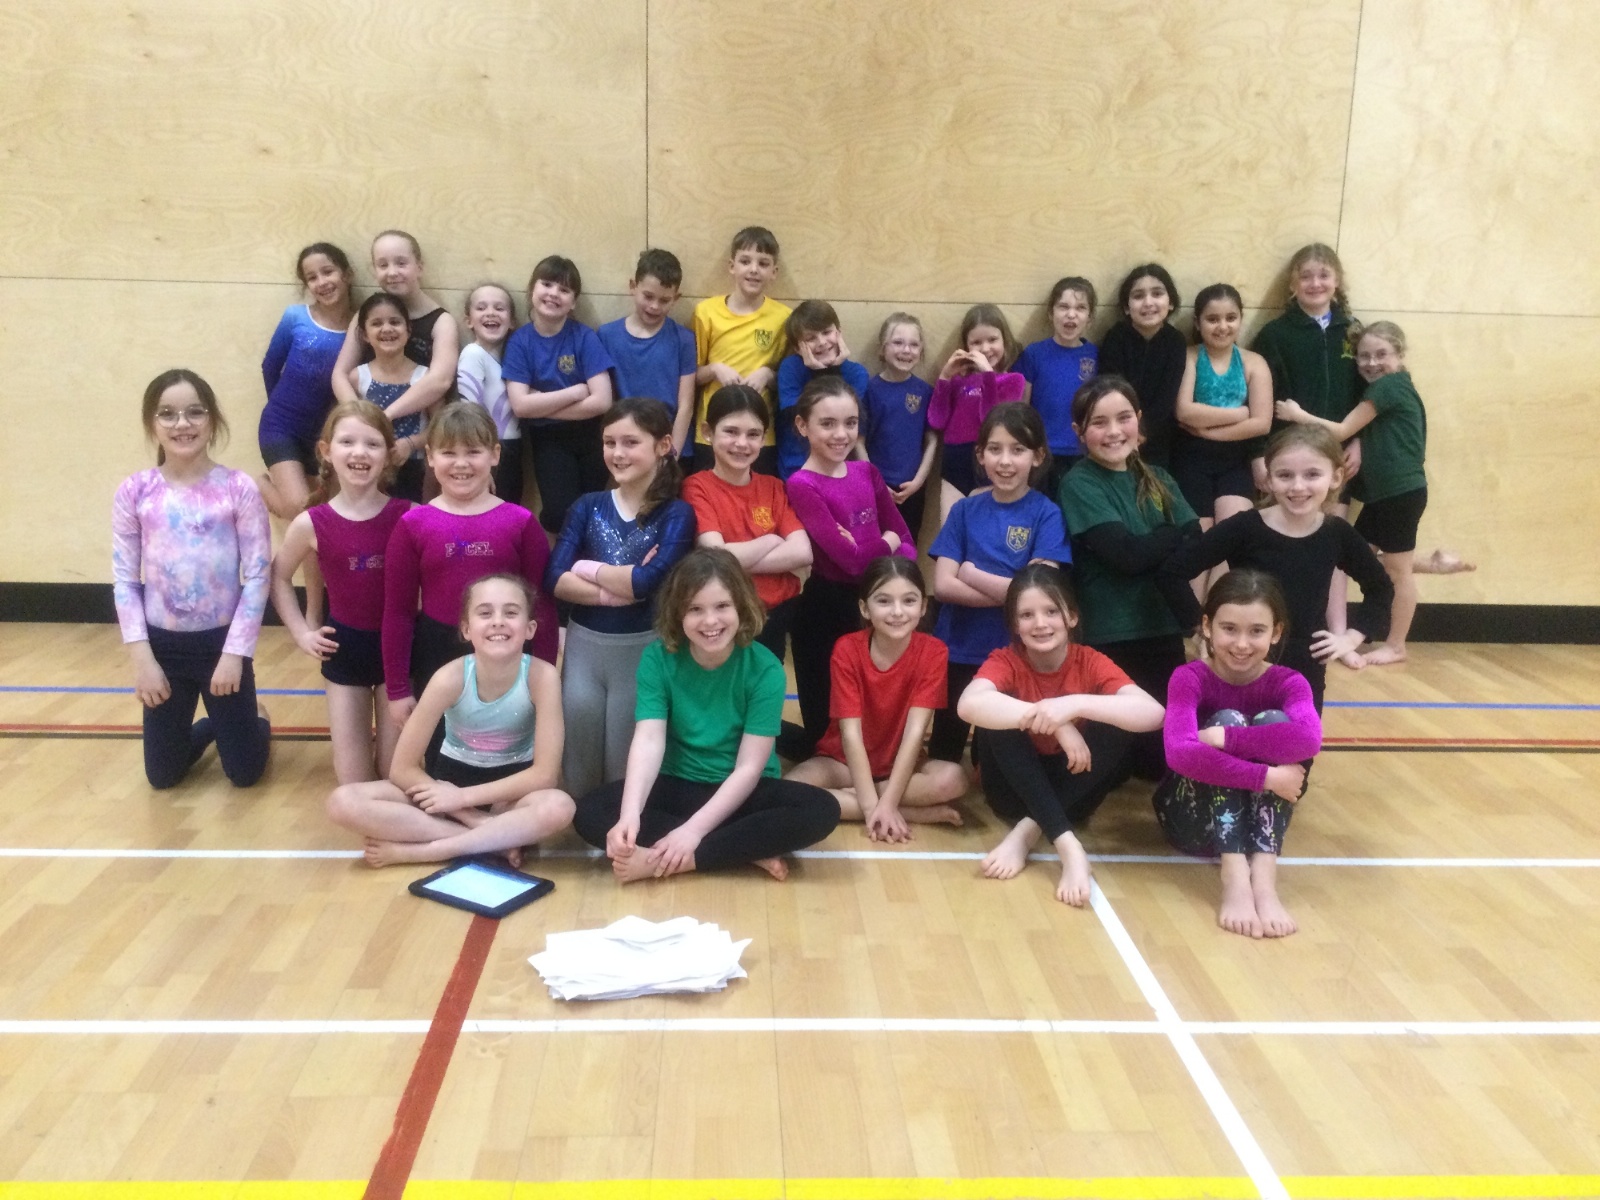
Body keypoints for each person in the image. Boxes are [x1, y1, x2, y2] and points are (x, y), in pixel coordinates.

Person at [572, 549, 841, 882]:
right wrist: (630, 814)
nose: (710, 621)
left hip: (740, 792)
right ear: (677, 614)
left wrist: (692, 833)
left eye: (722, 606)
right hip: (679, 785)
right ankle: (739, 849)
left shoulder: (766, 669)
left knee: (821, 809)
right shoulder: (658, 658)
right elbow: (649, 739)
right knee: (590, 812)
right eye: (695, 609)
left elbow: (748, 769)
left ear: (741, 607)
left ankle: (679, 858)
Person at [326, 574, 575, 868]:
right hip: (446, 788)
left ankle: (430, 850)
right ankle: (492, 841)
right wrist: (466, 812)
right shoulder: (449, 678)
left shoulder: (542, 677)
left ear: (530, 628)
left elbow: (544, 775)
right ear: (466, 629)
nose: (498, 622)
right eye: (485, 613)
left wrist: (462, 798)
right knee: (343, 801)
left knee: (559, 806)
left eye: (511, 613)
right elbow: (401, 768)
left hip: (509, 797)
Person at [956, 565, 1165, 906]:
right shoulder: (1006, 660)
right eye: (1027, 615)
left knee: (1116, 720)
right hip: (1011, 792)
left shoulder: (1089, 660)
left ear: (1071, 616)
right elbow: (968, 705)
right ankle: (1069, 847)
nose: (1040, 623)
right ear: (1014, 625)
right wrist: (1055, 722)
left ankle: (1027, 831)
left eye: (1051, 611)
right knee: (998, 715)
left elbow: (1154, 714)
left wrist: (1074, 704)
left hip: (1074, 793)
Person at [1157, 425, 1395, 716]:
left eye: (1312, 474)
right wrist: (1201, 628)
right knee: (1234, 739)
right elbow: (1173, 572)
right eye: (1285, 475)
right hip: (1243, 661)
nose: (1298, 486)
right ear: (1268, 480)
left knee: (1298, 743)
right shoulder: (1245, 527)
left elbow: (1380, 587)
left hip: (1304, 664)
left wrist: (1352, 637)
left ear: (1335, 477)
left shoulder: (1337, 534)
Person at [1275, 320, 1474, 664]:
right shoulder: (1389, 389)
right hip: (1384, 496)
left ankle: (1396, 645)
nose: (1371, 363)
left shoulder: (1389, 386)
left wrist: (1298, 415)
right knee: (1352, 559)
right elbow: (1371, 433)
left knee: (1396, 572)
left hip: (1400, 493)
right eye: (1364, 356)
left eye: (1381, 354)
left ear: (1400, 354)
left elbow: (1340, 431)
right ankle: (1431, 564)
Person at [113, 369, 271, 790]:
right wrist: (142, 660)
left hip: (222, 645)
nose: (182, 424)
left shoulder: (238, 488)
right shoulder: (136, 491)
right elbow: (125, 581)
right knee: (163, 776)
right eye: (167, 414)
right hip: (163, 649)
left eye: (194, 412)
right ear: (152, 424)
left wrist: (235, 654)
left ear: (212, 419)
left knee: (245, 774)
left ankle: (255, 721)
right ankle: (214, 726)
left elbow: (258, 575)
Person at [1154, 569, 1321, 938]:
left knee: (1274, 721)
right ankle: (1234, 876)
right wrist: (1267, 777)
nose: (1242, 644)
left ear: (1276, 632)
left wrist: (1225, 738)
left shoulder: (1289, 682)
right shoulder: (1189, 677)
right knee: (1230, 716)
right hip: (1193, 822)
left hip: (1255, 828)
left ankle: (1263, 878)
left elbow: (1308, 740)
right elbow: (1179, 753)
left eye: (1256, 631)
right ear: (1207, 627)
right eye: (1229, 629)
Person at [547, 398, 696, 798]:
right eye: (609, 442)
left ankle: (621, 826)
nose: (617, 453)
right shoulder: (587, 506)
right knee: (578, 764)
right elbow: (554, 577)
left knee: (622, 767)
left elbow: (647, 583)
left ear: (663, 445)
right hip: (584, 648)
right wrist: (618, 591)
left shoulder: (676, 514)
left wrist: (585, 568)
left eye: (631, 442)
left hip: (642, 650)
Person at [381, 405, 558, 731]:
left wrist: (544, 676)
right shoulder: (413, 525)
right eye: (449, 452)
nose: (461, 463)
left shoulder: (521, 523)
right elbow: (398, 612)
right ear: (430, 457)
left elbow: (542, 607)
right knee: (440, 751)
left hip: (507, 651)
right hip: (436, 652)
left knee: (508, 748)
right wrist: (398, 688)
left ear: (495, 454)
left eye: (473, 452)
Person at [1058, 377, 1200, 778]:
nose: (1114, 431)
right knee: (1113, 768)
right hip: (1111, 632)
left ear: (1139, 419)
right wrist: (1169, 535)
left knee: (1162, 764)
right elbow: (1125, 556)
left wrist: (1157, 544)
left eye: (1124, 418)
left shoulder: (1158, 477)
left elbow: (1196, 539)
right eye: (1099, 422)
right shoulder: (1079, 483)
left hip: (1162, 626)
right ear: (1079, 432)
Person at [269, 401, 411, 784]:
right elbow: (279, 576)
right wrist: (301, 632)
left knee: (395, 774)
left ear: (389, 454)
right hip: (344, 651)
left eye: (372, 443)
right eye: (347, 442)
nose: (359, 452)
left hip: (399, 654)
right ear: (326, 451)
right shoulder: (310, 523)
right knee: (353, 779)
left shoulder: (410, 516)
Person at [927, 403, 1072, 765]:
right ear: (981, 454)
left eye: (1017, 449)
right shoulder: (963, 511)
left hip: (1015, 653)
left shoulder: (1047, 514)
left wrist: (970, 574)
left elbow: (1039, 594)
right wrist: (1013, 593)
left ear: (1038, 456)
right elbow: (942, 585)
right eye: (995, 449)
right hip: (959, 648)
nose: (1005, 461)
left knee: (992, 762)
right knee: (944, 754)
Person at [786, 557, 967, 840]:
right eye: (884, 601)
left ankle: (882, 806)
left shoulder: (934, 652)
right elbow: (850, 734)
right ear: (864, 608)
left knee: (953, 780)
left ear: (923, 607)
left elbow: (915, 732)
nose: (897, 612)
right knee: (792, 788)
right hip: (843, 762)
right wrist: (873, 809)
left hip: (900, 766)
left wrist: (887, 801)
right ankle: (909, 812)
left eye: (909, 601)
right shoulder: (847, 649)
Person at [784, 376, 916, 760]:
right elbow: (851, 562)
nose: (841, 434)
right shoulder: (802, 484)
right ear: (802, 425)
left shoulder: (867, 473)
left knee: (873, 715)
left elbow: (906, 541)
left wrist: (873, 546)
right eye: (827, 424)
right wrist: (885, 543)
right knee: (828, 730)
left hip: (875, 603)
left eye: (850, 423)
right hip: (827, 611)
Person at [682, 384, 812, 668]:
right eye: (731, 431)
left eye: (753, 434)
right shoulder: (696, 487)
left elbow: (803, 553)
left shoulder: (774, 487)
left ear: (764, 439)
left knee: (765, 689)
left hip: (775, 615)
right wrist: (771, 541)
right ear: (707, 432)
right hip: (722, 620)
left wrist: (736, 556)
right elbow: (716, 555)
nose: (742, 443)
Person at [503, 255, 616, 536]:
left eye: (564, 290)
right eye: (547, 284)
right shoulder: (520, 342)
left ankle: (583, 562)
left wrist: (540, 405)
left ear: (573, 302)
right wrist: (575, 392)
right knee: (558, 513)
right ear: (532, 289)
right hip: (548, 439)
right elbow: (520, 406)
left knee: (590, 513)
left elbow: (602, 401)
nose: (554, 293)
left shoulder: (584, 337)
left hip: (591, 435)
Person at [258, 242, 356, 520]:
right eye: (312, 278)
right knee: (298, 508)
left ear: (347, 274)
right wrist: (281, 411)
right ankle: (258, 484)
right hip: (281, 426)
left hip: (324, 435)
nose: (322, 282)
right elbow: (270, 366)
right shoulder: (296, 317)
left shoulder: (360, 326)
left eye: (328, 272)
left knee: (325, 517)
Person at [1172, 284, 1273, 537]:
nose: (1222, 326)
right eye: (1212, 319)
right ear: (1197, 322)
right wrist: (1239, 414)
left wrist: (1207, 431)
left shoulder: (1254, 362)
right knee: (1198, 538)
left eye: (1230, 318)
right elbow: (1184, 412)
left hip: (1236, 461)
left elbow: (1262, 423)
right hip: (1191, 459)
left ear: (1240, 319)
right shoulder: (1189, 356)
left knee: (1233, 535)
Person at [691, 226, 791, 475]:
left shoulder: (783, 318)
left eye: (763, 263)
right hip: (712, 433)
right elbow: (691, 376)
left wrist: (768, 375)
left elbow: (789, 380)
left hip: (760, 435)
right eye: (745, 261)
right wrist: (715, 369)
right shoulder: (706, 312)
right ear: (732, 266)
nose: (754, 269)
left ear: (774, 271)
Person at [330, 229, 459, 416]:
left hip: (420, 424)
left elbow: (440, 381)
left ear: (419, 267)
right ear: (374, 270)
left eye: (401, 263)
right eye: (383, 265)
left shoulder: (442, 322)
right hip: (367, 421)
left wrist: (387, 416)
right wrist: (361, 418)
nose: (392, 272)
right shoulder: (363, 316)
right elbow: (340, 374)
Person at [928, 303, 1027, 520]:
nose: (985, 348)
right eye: (976, 342)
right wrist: (945, 378)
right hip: (954, 462)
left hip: (988, 463)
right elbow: (937, 421)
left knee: (983, 531)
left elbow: (992, 421)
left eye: (992, 340)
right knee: (950, 529)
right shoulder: (959, 381)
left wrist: (988, 376)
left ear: (1005, 341)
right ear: (966, 346)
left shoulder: (1013, 381)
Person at [596, 248, 699, 457]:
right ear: (633, 287)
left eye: (664, 300)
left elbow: (686, 405)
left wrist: (672, 455)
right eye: (648, 296)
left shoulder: (684, 339)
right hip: (626, 446)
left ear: (676, 298)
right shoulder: (607, 335)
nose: (654, 306)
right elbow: (608, 402)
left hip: (672, 444)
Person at [1097, 264, 1185, 469]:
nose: (1148, 302)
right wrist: (1128, 432)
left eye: (1157, 294)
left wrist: (1142, 433)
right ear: (1126, 307)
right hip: (1117, 433)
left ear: (1171, 302)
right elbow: (1112, 389)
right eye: (1138, 296)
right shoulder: (1116, 337)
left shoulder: (1175, 341)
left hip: (1161, 437)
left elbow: (1167, 395)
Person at [1016, 275, 1099, 493]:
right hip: (1042, 453)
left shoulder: (1096, 356)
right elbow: (1021, 407)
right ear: (1051, 313)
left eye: (1080, 308)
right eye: (1063, 306)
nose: (1071, 314)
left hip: (1083, 454)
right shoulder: (1034, 354)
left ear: (1090, 318)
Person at [861, 312, 937, 544]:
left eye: (914, 344)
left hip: (912, 489)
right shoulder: (869, 390)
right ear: (882, 348)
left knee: (908, 548)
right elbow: (858, 441)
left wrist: (919, 481)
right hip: (876, 488)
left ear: (921, 351)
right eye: (898, 342)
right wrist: (876, 483)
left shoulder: (925, 391)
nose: (906, 350)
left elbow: (932, 440)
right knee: (876, 549)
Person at [774, 300, 871, 478]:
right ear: (797, 348)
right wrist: (822, 371)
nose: (822, 342)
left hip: (839, 468)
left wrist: (831, 370)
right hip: (796, 467)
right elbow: (801, 416)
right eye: (811, 338)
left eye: (827, 332)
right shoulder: (791, 367)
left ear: (839, 332)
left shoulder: (857, 373)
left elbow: (843, 412)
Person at [349, 292, 429, 501]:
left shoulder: (425, 377)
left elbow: (439, 429)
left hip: (414, 469)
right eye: (377, 323)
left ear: (408, 330)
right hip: (367, 468)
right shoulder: (358, 377)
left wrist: (410, 443)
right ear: (364, 334)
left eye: (395, 322)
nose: (387, 329)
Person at [455, 282, 523, 503]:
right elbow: (469, 413)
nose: (491, 313)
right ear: (469, 320)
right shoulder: (473, 354)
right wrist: (480, 463)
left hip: (511, 449)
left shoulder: (509, 360)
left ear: (512, 321)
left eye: (499, 308)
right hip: (487, 449)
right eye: (481, 308)